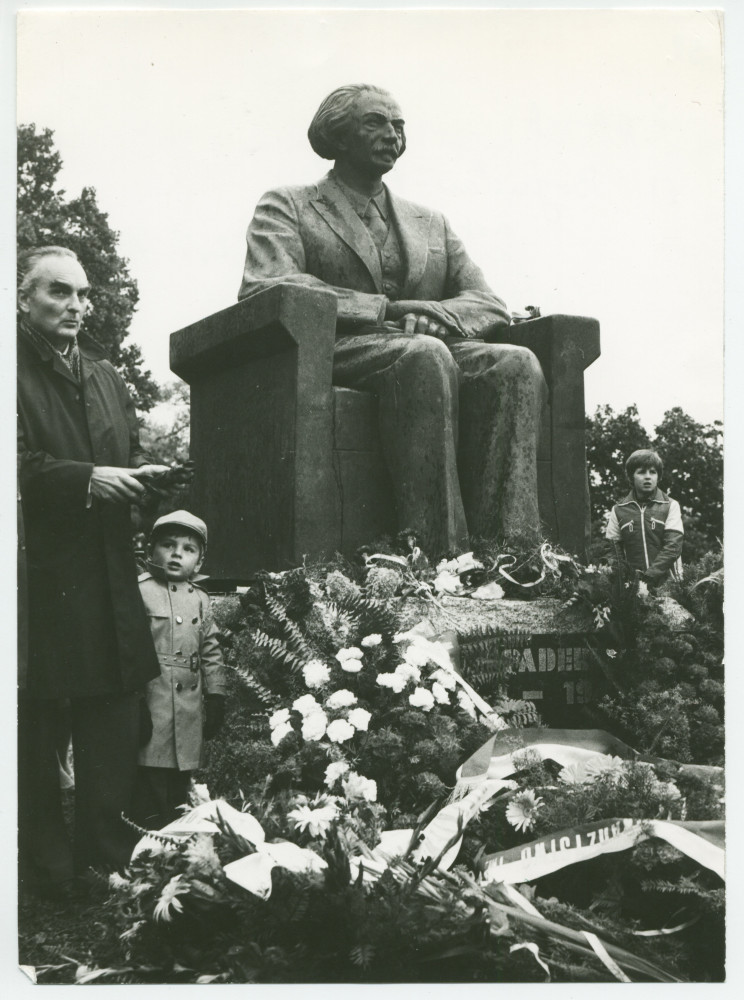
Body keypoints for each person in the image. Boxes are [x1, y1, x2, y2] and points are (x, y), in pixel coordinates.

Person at [238, 84, 547, 554]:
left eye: (399, 126)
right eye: (375, 123)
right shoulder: (289, 204)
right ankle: (439, 554)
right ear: (338, 136)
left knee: (515, 362)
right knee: (422, 356)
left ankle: (513, 553)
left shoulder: (430, 221)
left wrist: (439, 315)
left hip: (429, 343)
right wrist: (384, 309)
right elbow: (268, 284)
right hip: (336, 349)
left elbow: (487, 301)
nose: (392, 135)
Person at [17, 246, 169, 898]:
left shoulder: (107, 377)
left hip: (109, 581)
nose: (75, 305)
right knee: (35, 733)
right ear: (23, 299)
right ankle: (43, 872)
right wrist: (86, 481)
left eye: (82, 294)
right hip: (39, 588)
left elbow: (128, 455)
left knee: (113, 723)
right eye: (58, 292)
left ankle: (103, 858)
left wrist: (147, 483)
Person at [133, 511, 227, 829]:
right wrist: (135, 702)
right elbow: (131, 648)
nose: (177, 553)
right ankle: (147, 838)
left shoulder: (200, 599)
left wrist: (216, 695)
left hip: (187, 705)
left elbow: (211, 649)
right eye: (168, 545)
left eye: (188, 549)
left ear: (199, 563)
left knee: (180, 777)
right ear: (150, 552)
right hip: (153, 698)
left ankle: (176, 836)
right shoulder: (140, 591)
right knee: (149, 777)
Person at [605, 449, 684, 587]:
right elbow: (614, 552)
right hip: (633, 588)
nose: (648, 477)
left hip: (669, 586)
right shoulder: (618, 510)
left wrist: (648, 577)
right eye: (641, 472)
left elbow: (673, 546)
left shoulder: (670, 505)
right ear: (631, 476)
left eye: (652, 472)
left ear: (658, 476)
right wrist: (625, 580)